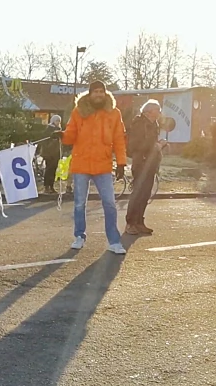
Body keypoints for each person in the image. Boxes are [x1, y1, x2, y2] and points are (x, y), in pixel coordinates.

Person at [53, 80, 128, 255]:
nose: (99, 95)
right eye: (95, 91)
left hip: (103, 165)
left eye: (101, 91)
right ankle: (79, 236)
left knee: (109, 203)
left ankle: (114, 241)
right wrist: (62, 135)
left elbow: (119, 139)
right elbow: (71, 135)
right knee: (79, 204)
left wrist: (122, 163)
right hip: (81, 164)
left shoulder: (114, 113)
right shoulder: (79, 112)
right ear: (89, 94)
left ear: (105, 93)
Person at [125, 99, 165, 235]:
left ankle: (139, 222)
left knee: (145, 193)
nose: (159, 112)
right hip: (141, 162)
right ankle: (130, 223)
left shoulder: (154, 124)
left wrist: (158, 145)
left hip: (151, 162)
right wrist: (156, 146)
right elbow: (136, 144)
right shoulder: (139, 123)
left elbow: (150, 143)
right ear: (149, 111)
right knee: (138, 193)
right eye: (157, 110)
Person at [38, 114, 62, 194]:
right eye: (56, 120)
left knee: (54, 170)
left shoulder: (59, 129)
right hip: (49, 153)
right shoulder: (49, 129)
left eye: (59, 121)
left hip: (56, 153)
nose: (58, 122)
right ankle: (46, 186)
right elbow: (44, 141)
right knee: (48, 169)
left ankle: (51, 186)